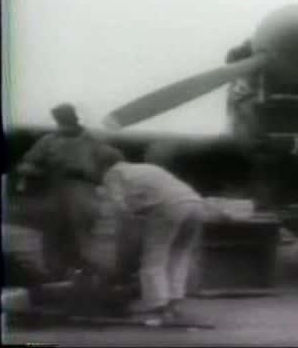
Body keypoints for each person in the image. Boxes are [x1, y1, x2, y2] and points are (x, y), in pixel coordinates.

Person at [15, 103, 122, 280]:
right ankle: (55, 276)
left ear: (74, 117)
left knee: (83, 238)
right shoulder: (48, 140)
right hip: (56, 193)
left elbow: (116, 162)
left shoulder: (94, 141)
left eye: (66, 117)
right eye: (59, 119)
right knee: (53, 235)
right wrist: (39, 171)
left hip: (84, 194)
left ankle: (86, 278)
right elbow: (26, 165)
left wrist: (92, 174)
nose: (62, 122)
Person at [99, 153, 207, 322]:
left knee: (153, 259)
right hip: (196, 204)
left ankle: (160, 307)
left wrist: (131, 227)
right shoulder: (147, 168)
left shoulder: (112, 174)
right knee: (179, 256)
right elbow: (152, 196)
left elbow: (120, 207)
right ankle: (175, 302)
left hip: (169, 208)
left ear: (103, 167)